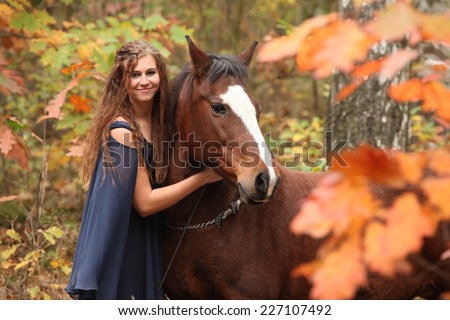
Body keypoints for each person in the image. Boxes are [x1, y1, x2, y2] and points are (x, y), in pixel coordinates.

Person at [66, 40, 221, 300]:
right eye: (134, 75)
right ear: (122, 81)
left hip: (147, 234)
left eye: (150, 72)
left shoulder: (161, 121)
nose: (144, 81)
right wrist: (203, 178)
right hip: (122, 242)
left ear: (160, 73)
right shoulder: (122, 130)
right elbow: (145, 203)